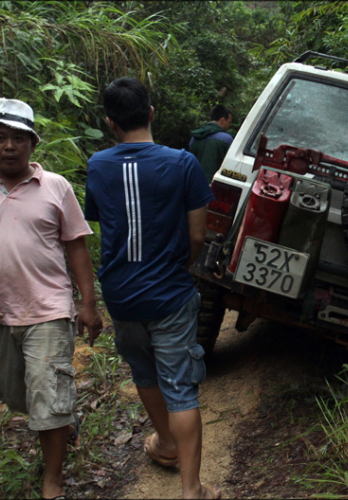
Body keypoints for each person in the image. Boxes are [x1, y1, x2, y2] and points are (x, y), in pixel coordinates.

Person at [0, 98, 103, 500]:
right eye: (0, 138)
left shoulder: (56, 187)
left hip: (49, 309)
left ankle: (52, 481)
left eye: (18, 139)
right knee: (19, 396)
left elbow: (77, 248)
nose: (9, 146)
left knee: (47, 399)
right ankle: (64, 420)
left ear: (33, 143)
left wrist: (88, 303)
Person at [84, 78, 220, 499]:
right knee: (180, 386)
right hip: (170, 294)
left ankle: (163, 443)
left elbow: (104, 225)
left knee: (143, 372)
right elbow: (198, 237)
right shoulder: (183, 164)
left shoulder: (97, 165)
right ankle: (191, 489)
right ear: (152, 113)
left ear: (110, 122)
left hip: (121, 295)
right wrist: (181, 267)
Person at [189, 104, 233, 183]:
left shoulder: (195, 137)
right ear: (222, 120)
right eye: (229, 122)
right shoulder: (226, 139)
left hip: (194, 182)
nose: (228, 126)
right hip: (214, 184)